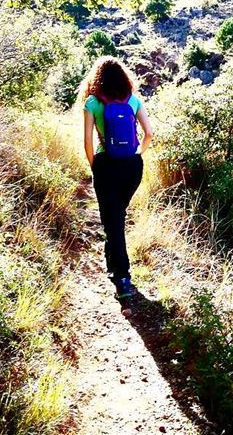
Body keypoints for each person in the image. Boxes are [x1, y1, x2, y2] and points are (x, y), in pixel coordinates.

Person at [80, 56, 153, 299]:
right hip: (132, 166)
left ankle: (122, 278)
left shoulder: (92, 102)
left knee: (113, 221)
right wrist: (136, 154)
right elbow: (150, 134)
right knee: (116, 217)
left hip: (106, 164)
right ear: (123, 77)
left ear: (97, 79)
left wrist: (95, 166)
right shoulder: (133, 101)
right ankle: (114, 267)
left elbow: (87, 141)